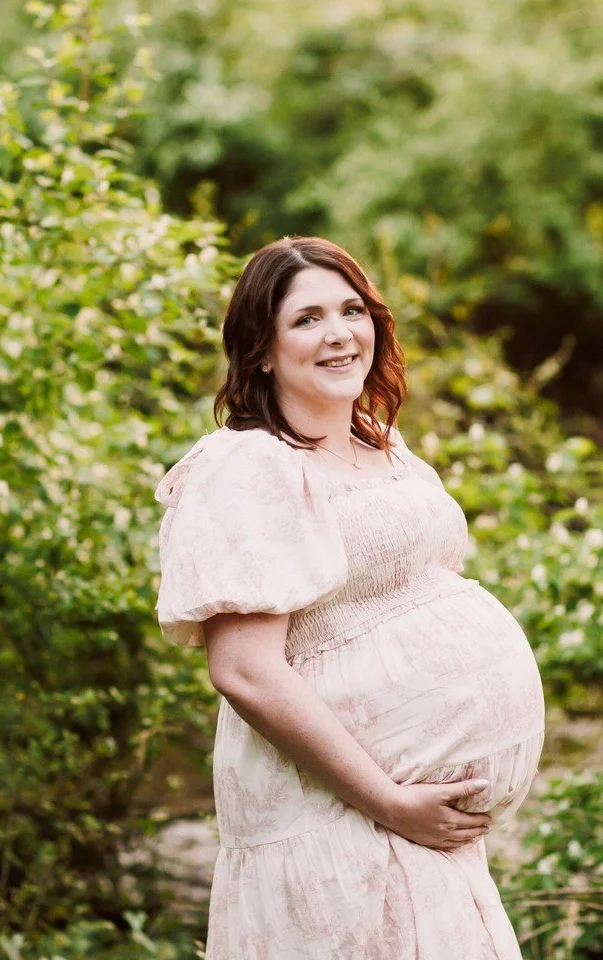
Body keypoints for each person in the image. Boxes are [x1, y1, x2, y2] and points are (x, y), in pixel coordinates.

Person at [153, 236, 545, 959]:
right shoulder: (249, 465)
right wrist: (387, 800)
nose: (338, 333)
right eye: (306, 319)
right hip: (336, 821)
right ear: (262, 350)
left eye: (352, 310)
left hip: (410, 832)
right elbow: (244, 670)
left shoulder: (383, 444)